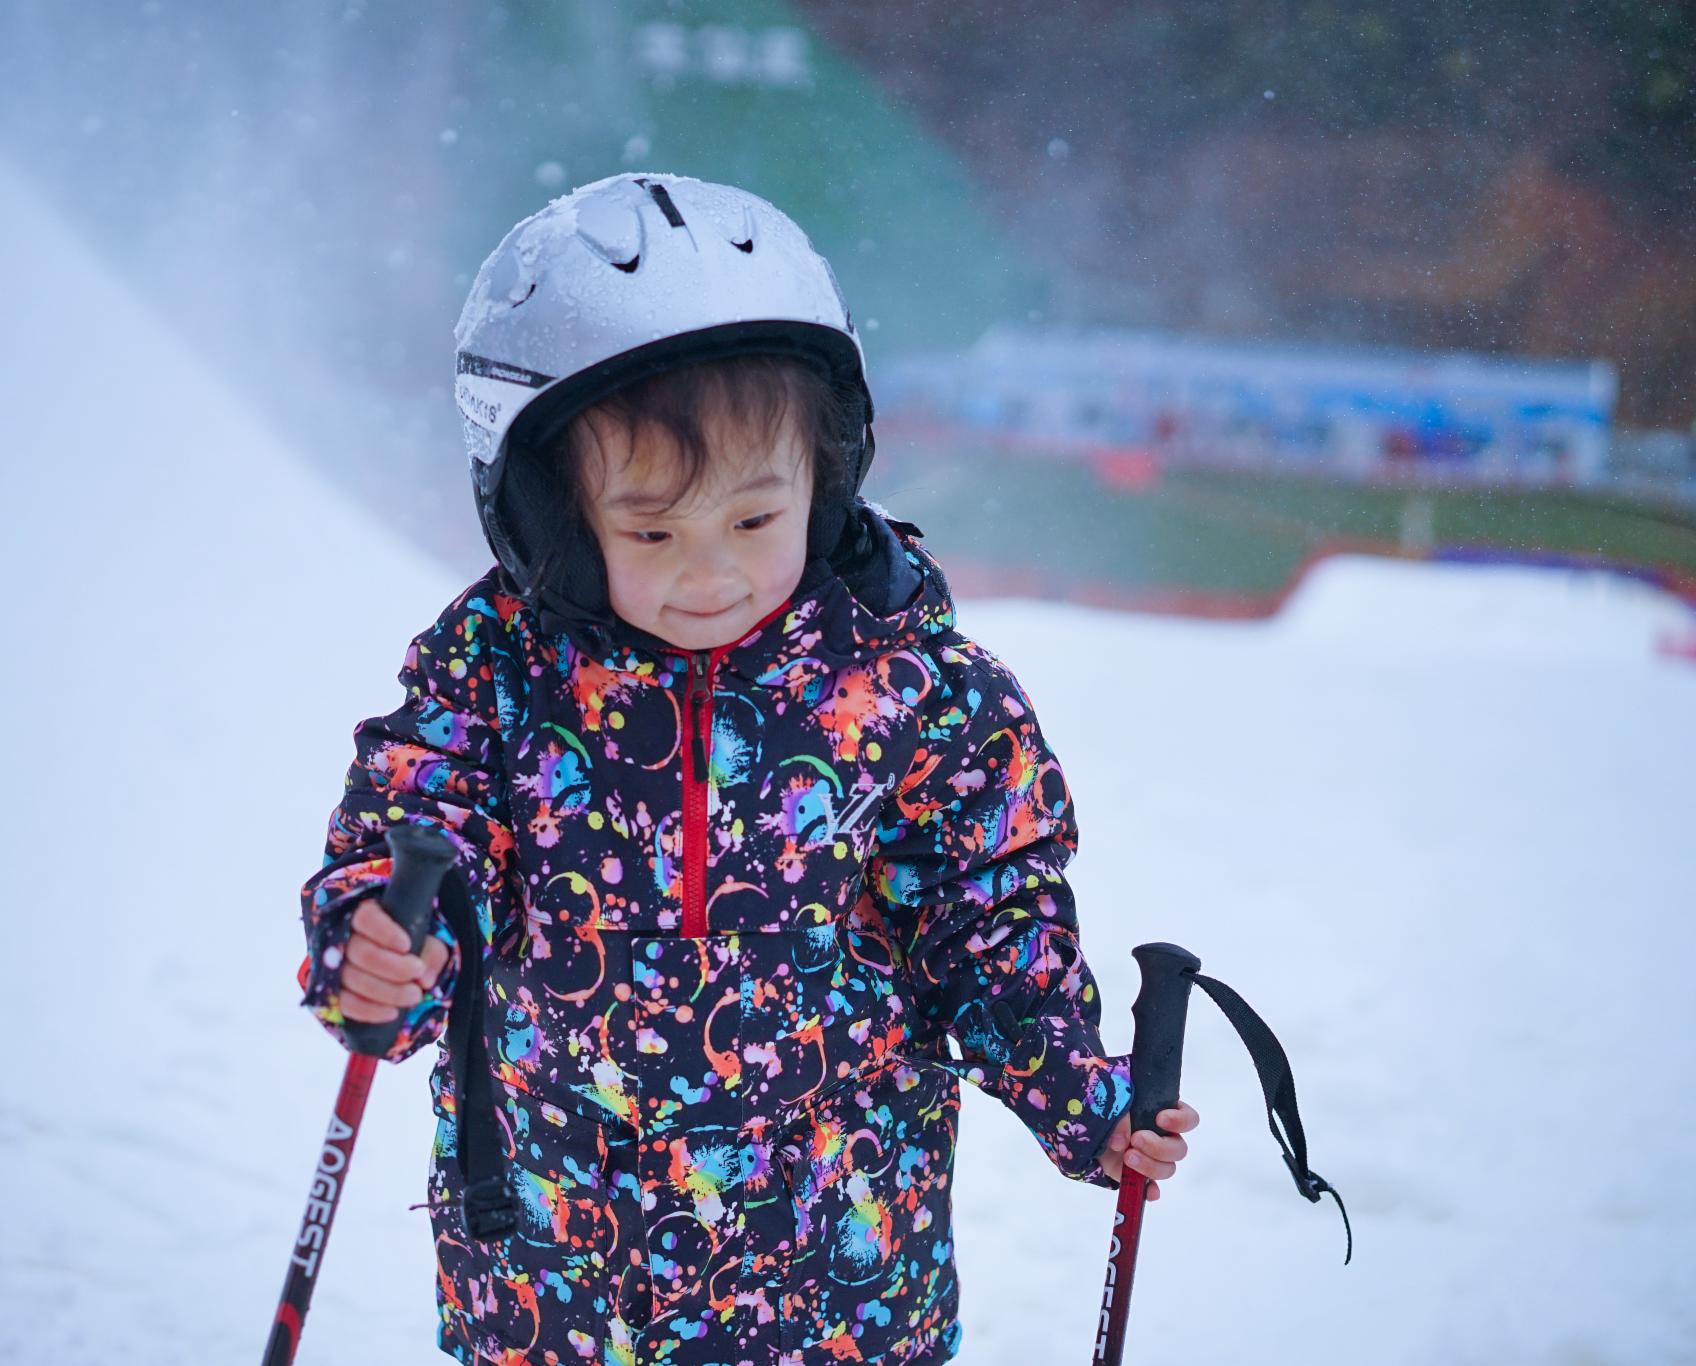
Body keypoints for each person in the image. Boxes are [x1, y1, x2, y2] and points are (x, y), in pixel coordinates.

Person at [296, 173, 1198, 1366]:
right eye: (653, 531)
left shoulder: (908, 686)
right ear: (550, 517)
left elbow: (986, 919)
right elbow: (420, 841)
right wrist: (383, 947)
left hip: (838, 1288)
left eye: (754, 521)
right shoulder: (494, 678)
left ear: (825, 483)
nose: (708, 573)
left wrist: (1081, 1090)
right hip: (556, 1286)